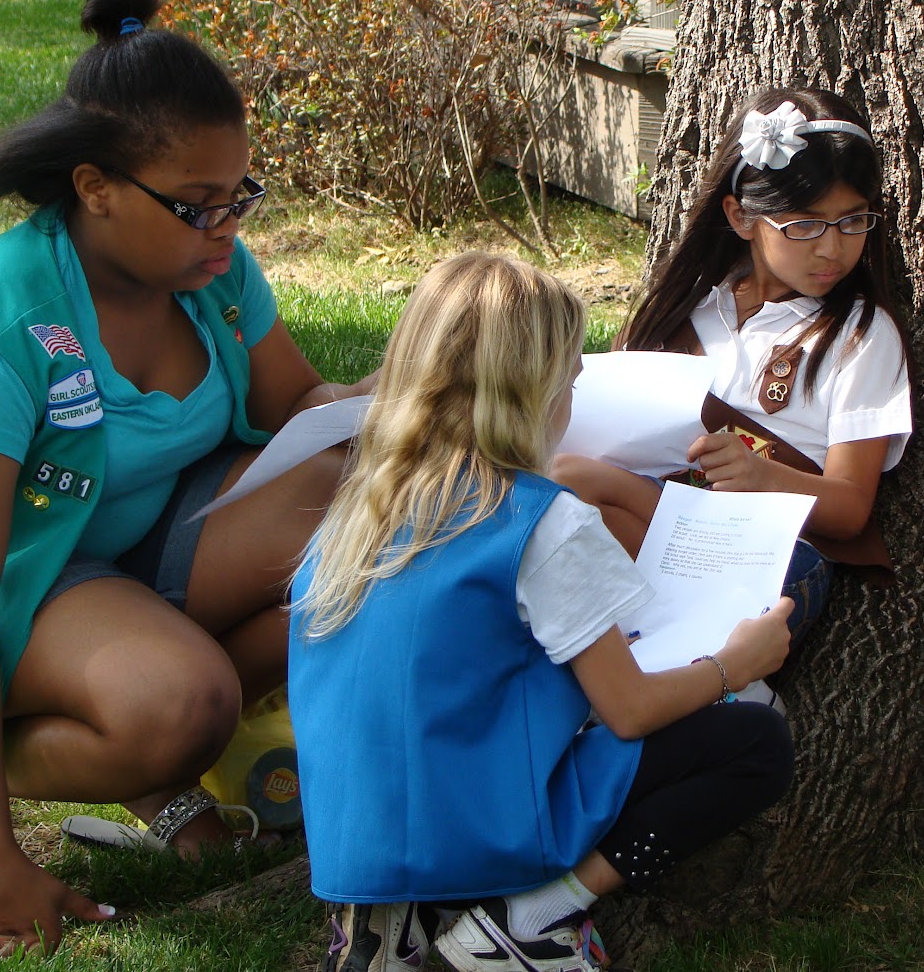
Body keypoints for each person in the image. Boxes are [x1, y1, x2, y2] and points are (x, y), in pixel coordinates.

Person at [0, 0, 371, 964]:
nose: (228, 229)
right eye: (198, 206)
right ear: (94, 189)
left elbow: (287, 405)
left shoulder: (210, 271)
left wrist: (407, 403)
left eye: (239, 198)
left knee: (364, 522)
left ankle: (116, 683)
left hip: (98, 552)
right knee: (182, 708)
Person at [289, 252, 796, 972]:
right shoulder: (542, 519)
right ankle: (534, 913)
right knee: (755, 742)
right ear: (533, 393)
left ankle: (392, 918)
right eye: (571, 385)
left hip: (354, 840)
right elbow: (630, 711)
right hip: (482, 824)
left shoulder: (359, 510)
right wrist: (731, 665)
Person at [553, 87, 912, 655]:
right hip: (658, 521)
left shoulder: (859, 334)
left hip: (769, 557)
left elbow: (850, 509)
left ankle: (680, 676)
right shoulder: (686, 308)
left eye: (852, 221)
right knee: (567, 508)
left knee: (574, 485)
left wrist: (762, 475)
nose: (832, 249)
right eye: (804, 225)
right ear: (742, 216)